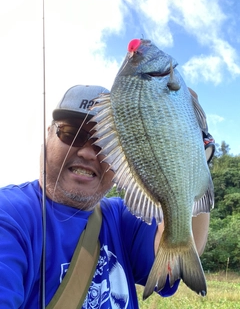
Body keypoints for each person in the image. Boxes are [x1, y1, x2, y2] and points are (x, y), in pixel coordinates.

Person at [0, 85, 212, 308]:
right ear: (48, 135)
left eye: (105, 144)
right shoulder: (9, 216)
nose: (88, 152)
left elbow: (182, 251)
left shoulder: (122, 216)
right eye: (72, 133)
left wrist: (193, 149)